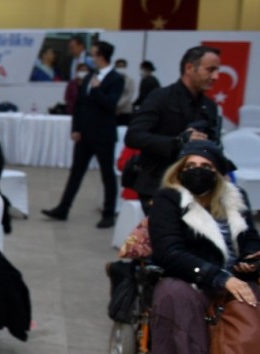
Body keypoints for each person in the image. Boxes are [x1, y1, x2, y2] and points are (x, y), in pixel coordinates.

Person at [148, 141, 260, 354]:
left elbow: (250, 237)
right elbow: (168, 252)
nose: (197, 170)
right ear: (179, 169)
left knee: (254, 307)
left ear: (218, 172)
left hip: (233, 276)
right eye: (190, 165)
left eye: (206, 166)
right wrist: (217, 277)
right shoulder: (169, 199)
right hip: (187, 275)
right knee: (177, 299)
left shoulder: (234, 197)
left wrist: (250, 257)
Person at [125, 46, 220, 214]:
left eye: (217, 70)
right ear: (189, 68)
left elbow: (214, 144)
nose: (216, 76)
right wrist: (178, 142)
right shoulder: (160, 97)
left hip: (197, 188)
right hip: (158, 184)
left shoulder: (209, 106)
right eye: (210, 70)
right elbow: (134, 136)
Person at [42, 41, 124, 228]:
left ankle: (108, 213)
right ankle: (63, 208)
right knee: (76, 173)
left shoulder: (116, 79)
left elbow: (110, 104)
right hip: (84, 135)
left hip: (103, 135)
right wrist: (75, 128)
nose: (91, 58)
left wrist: (97, 90)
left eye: (93, 54)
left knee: (107, 175)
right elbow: (79, 105)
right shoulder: (89, 76)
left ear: (101, 56)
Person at [114, 58, 135, 126]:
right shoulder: (111, 79)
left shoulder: (129, 80)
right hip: (112, 111)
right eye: (119, 66)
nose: (121, 68)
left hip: (125, 110)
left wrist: (118, 106)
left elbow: (129, 95)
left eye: (123, 66)